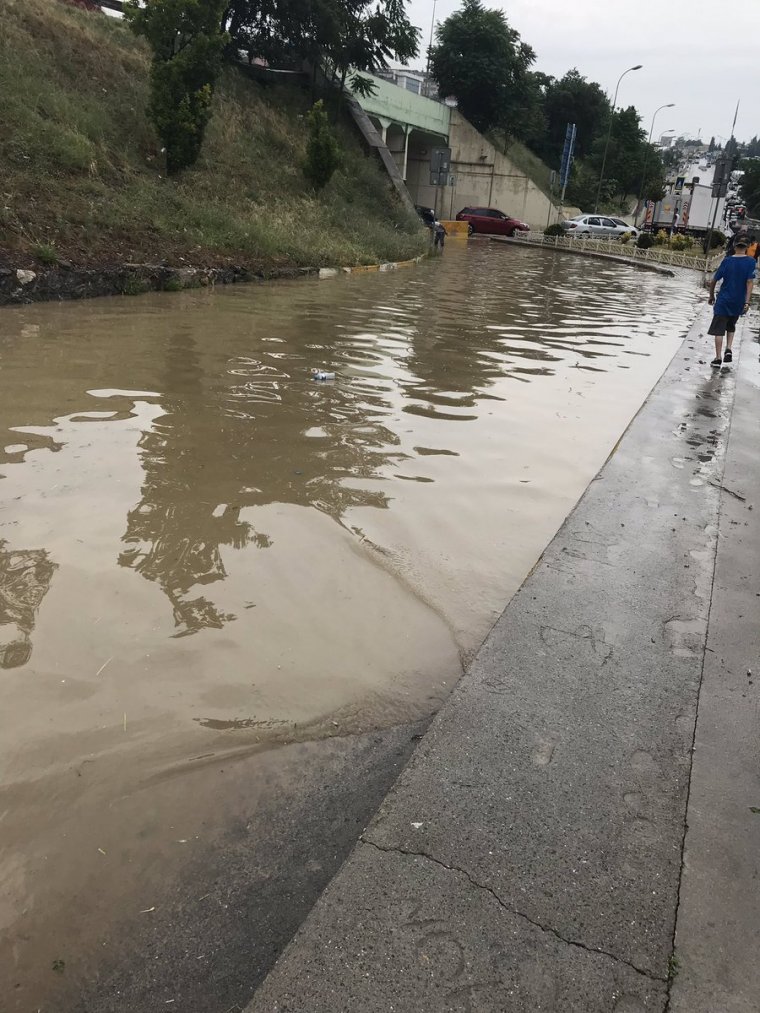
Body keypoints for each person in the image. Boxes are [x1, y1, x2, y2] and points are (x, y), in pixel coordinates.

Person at [707, 236, 756, 366]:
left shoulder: (727, 261)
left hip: (724, 300)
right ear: (746, 248)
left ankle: (718, 358)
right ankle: (728, 349)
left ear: (734, 246)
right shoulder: (751, 262)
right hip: (738, 301)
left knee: (718, 330)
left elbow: (714, 281)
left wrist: (711, 296)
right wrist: (746, 302)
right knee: (731, 325)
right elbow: (750, 282)